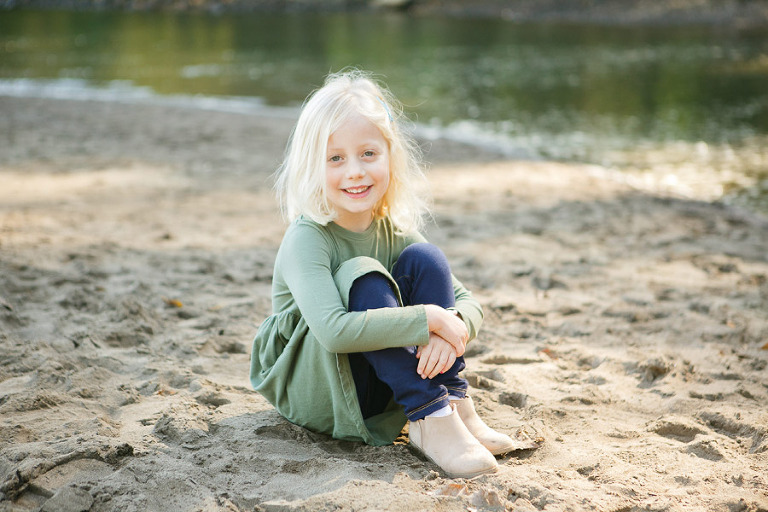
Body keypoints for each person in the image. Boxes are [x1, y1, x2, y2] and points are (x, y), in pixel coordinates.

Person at [249, 69, 516, 478]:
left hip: (384, 383)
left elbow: (468, 304)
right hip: (323, 389)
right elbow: (334, 332)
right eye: (335, 158)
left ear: (390, 156)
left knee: (426, 258)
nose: (355, 171)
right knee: (364, 276)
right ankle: (430, 416)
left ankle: (452, 403)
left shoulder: (392, 229)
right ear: (311, 166)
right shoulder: (308, 237)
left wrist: (447, 327)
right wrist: (427, 319)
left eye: (368, 154)